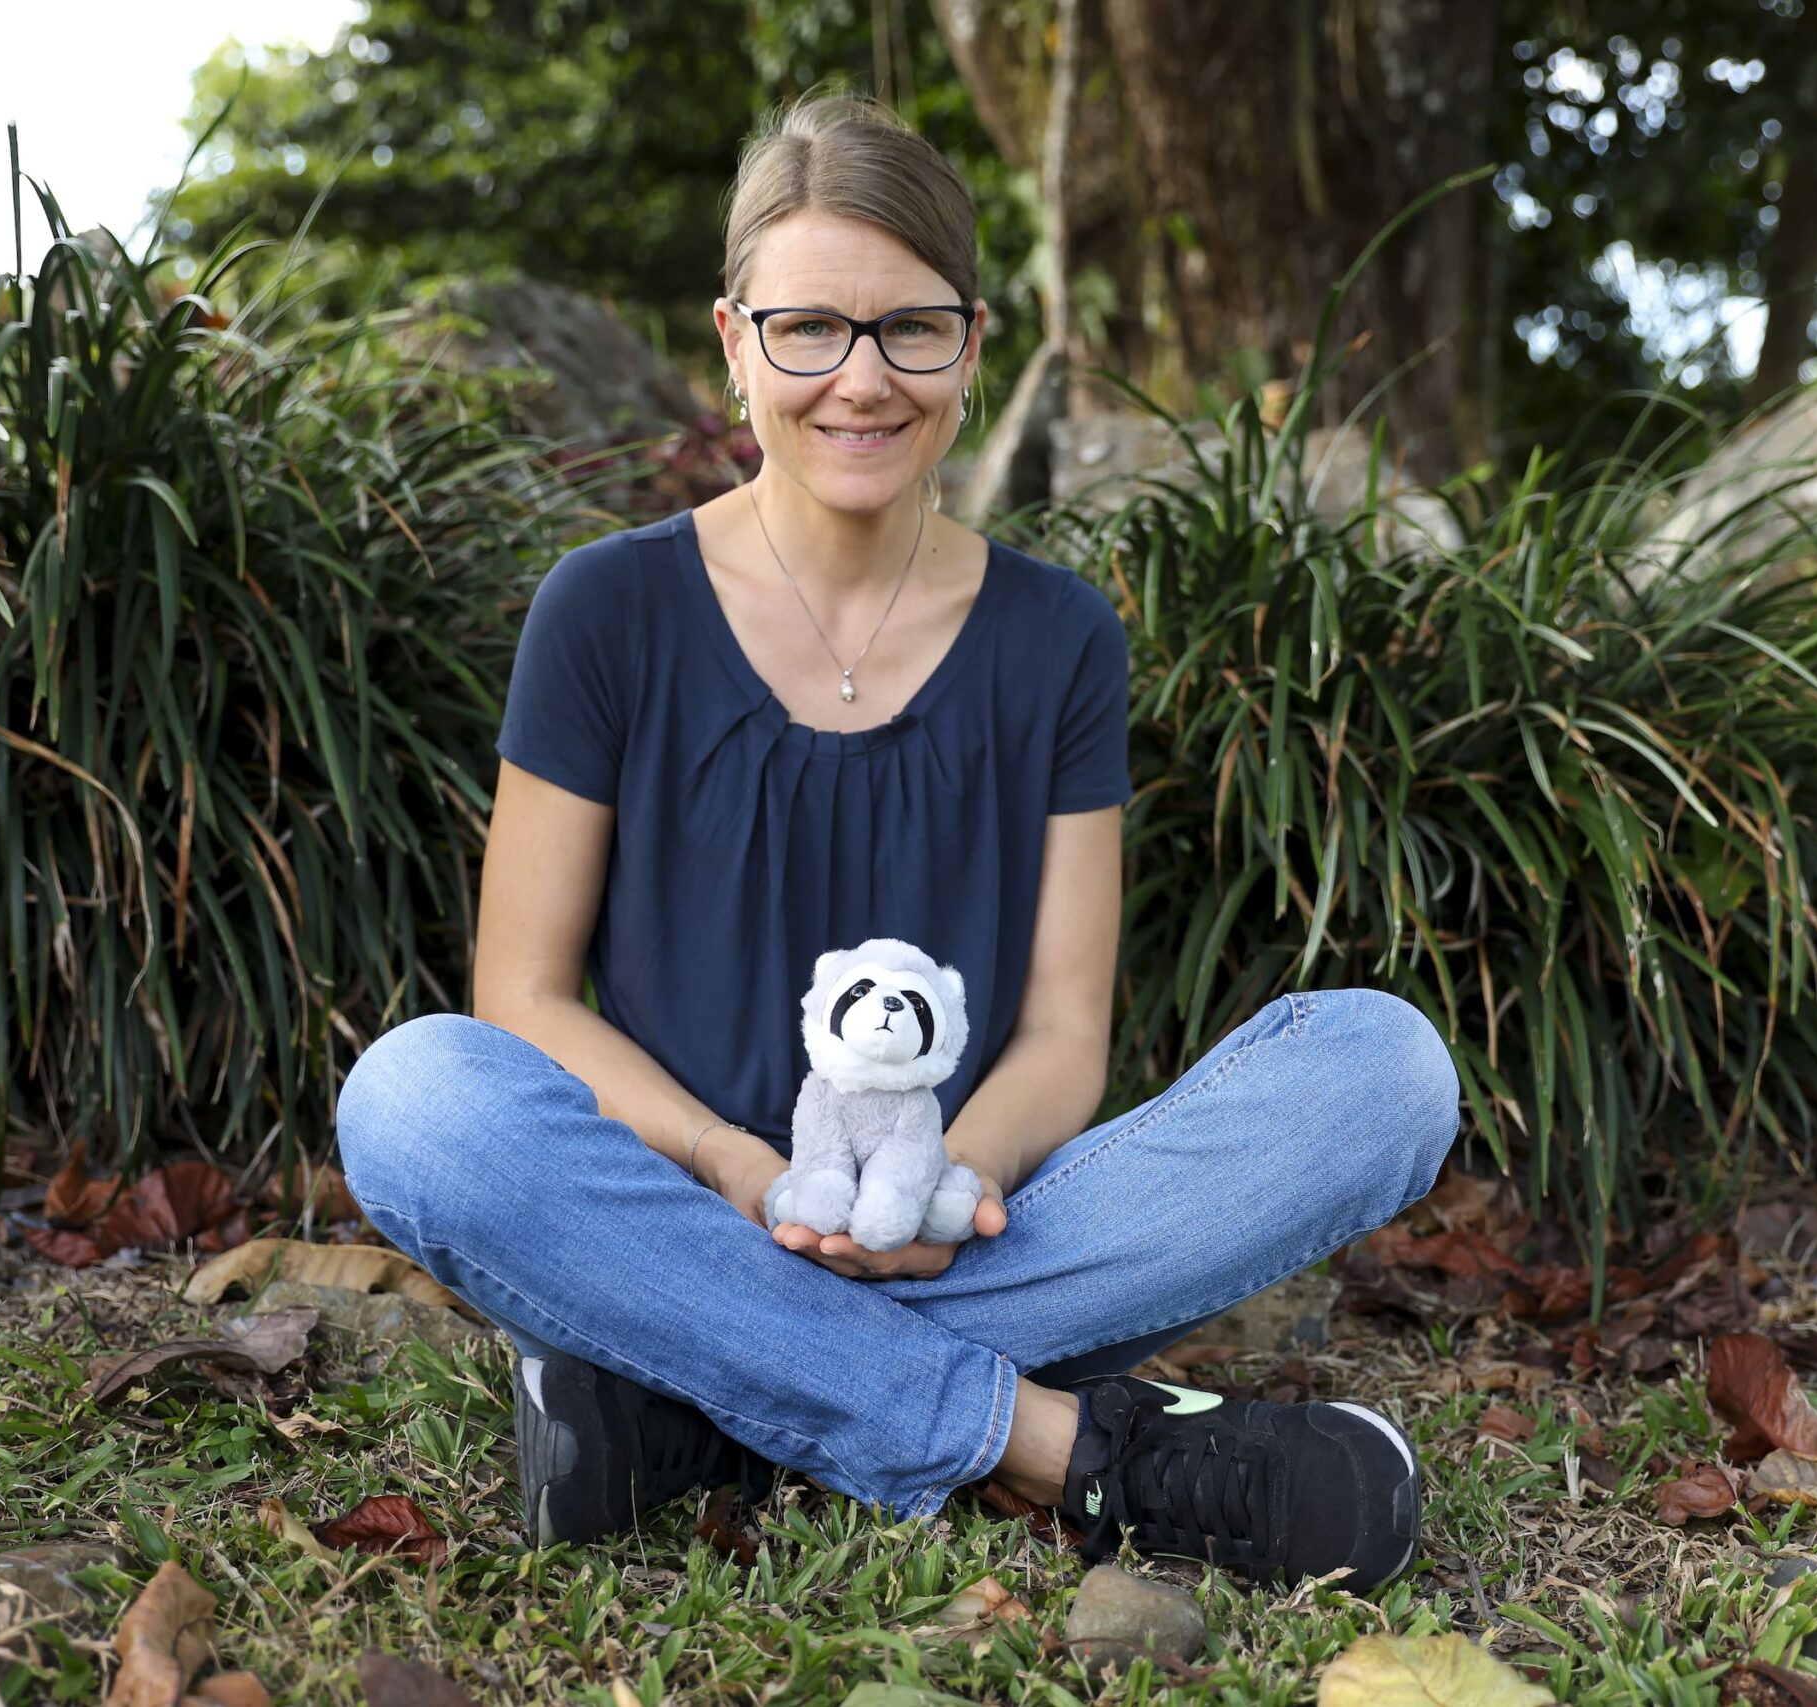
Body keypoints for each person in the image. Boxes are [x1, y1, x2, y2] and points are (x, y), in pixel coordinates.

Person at [335, 88, 1460, 1593]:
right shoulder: (604, 611)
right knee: (415, 1099)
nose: (859, 381)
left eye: (909, 331)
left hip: (973, 1229)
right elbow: (522, 1001)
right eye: (809, 329)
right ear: (735, 343)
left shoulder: (1060, 638)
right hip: (670, 1217)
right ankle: (1088, 1456)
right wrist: (738, 1170)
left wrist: (952, 1192)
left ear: (972, 344)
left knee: (1384, 1069)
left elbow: (1066, 1034)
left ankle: (690, 1418)